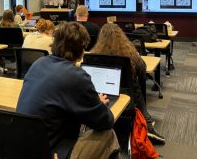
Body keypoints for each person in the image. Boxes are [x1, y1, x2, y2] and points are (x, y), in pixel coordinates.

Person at [17, 22, 120, 159]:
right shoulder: (77, 76)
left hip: (21, 148)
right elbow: (106, 121)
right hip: (52, 153)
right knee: (108, 134)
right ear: (81, 50)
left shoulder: (38, 63)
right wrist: (100, 104)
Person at [91, 23, 165, 145]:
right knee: (136, 88)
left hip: (103, 97)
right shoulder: (130, 55)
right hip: (129, 98)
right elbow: (143, 70)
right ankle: (148, 126)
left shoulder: (93, 55)